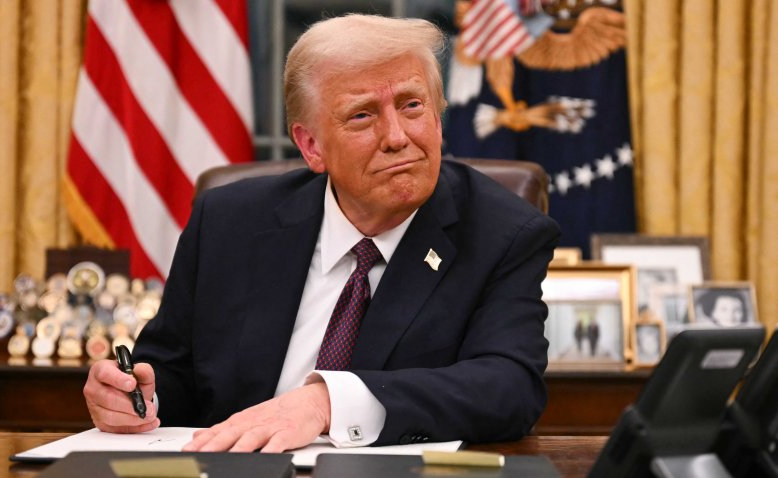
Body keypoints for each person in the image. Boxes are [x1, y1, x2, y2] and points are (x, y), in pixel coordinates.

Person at [83, 14, 560, 453]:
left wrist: (327, 402)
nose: (397, 136)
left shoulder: (503, 233)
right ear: (311, 146)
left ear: (437, 118)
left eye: (412, 105)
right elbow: (169, 372)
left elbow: (510, 387)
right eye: (363, 115)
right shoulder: (229, 221)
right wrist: (135, 398)